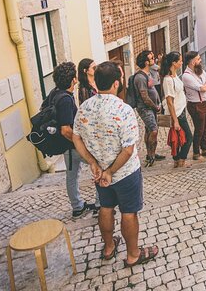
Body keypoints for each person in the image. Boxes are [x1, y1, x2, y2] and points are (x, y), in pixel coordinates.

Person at [73, 62, 158, 267]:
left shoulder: (84, 108)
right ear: (116, 83)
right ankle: (133, 255)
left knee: (106, 207)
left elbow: (76, 138)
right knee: (128, 212)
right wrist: (111, 171)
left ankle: (109, 247)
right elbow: (128, 149)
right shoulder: (124, 109)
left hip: (99, 171)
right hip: (125, 173)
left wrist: (93, 163)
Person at [49, 62, 98, 218]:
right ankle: (100, 204)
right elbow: (66, 130)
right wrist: (81, 144)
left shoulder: (55, 93)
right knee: (98, 165)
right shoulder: (65, 100)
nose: (76, 80)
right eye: (74, 77)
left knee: (72, 176)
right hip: (73, 146)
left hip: (66, 147)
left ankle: (77, 207)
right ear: (71, 80)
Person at [182, 51, 206, 160]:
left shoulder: (199, 70)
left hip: (205, 103)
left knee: (205, 128)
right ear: (192, 62)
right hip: (195, 105)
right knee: (199, 129)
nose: (200, 60)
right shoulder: (186, 76)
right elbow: (202, 88)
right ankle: (196, 152)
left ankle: (205, 149)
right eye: (198, 59)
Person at [133, 50, 165, 166]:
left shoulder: (148, 73)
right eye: (151, 59)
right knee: (154, 130)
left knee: (148, 130)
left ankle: (151, 153)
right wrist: (156, 107)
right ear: (146, 62)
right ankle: (151, 155)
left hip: (150, 107)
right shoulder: (140, 77)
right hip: (145, 108)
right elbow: (145, 97)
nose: (154, 60)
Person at [161, 52, 193, 168]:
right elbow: (169, 102)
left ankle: (177, 160)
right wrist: (175, 121)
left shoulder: (175, 76)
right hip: (177, 114)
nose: (182, 62)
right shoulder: (168, 80)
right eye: (179, 61)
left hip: (181, 110)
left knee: (180, 137)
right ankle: (181, 159)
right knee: (189, 137)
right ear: (174, 63)